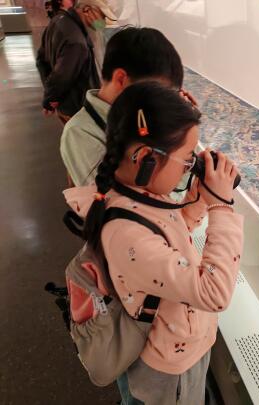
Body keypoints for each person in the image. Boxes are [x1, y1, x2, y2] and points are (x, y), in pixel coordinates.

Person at [63, 81, 243, 405]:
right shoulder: (125, 233)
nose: (190, 166)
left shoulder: (138, 193)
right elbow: (214, 293)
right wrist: (221, 207)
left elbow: (170, 230)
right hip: (168, 371)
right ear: (146, 158)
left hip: (184, 348)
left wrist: (199, 200)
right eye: (186, 159)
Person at [60, 26, 197, 187]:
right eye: (154, 93)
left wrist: (181, 129)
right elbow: (125, 198)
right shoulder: (79, 133)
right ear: (121, 79)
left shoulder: (140, 116)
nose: (161, 102)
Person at [36, 0, 116, 124]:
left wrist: (50, 96)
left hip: (65, 106)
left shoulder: (57, 21)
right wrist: (50, 99)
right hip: (78, 109)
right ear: (87, 10)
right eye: (102, 16)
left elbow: (41, 60)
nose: (103, 22)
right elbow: (61, 76)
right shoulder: (76, 41)